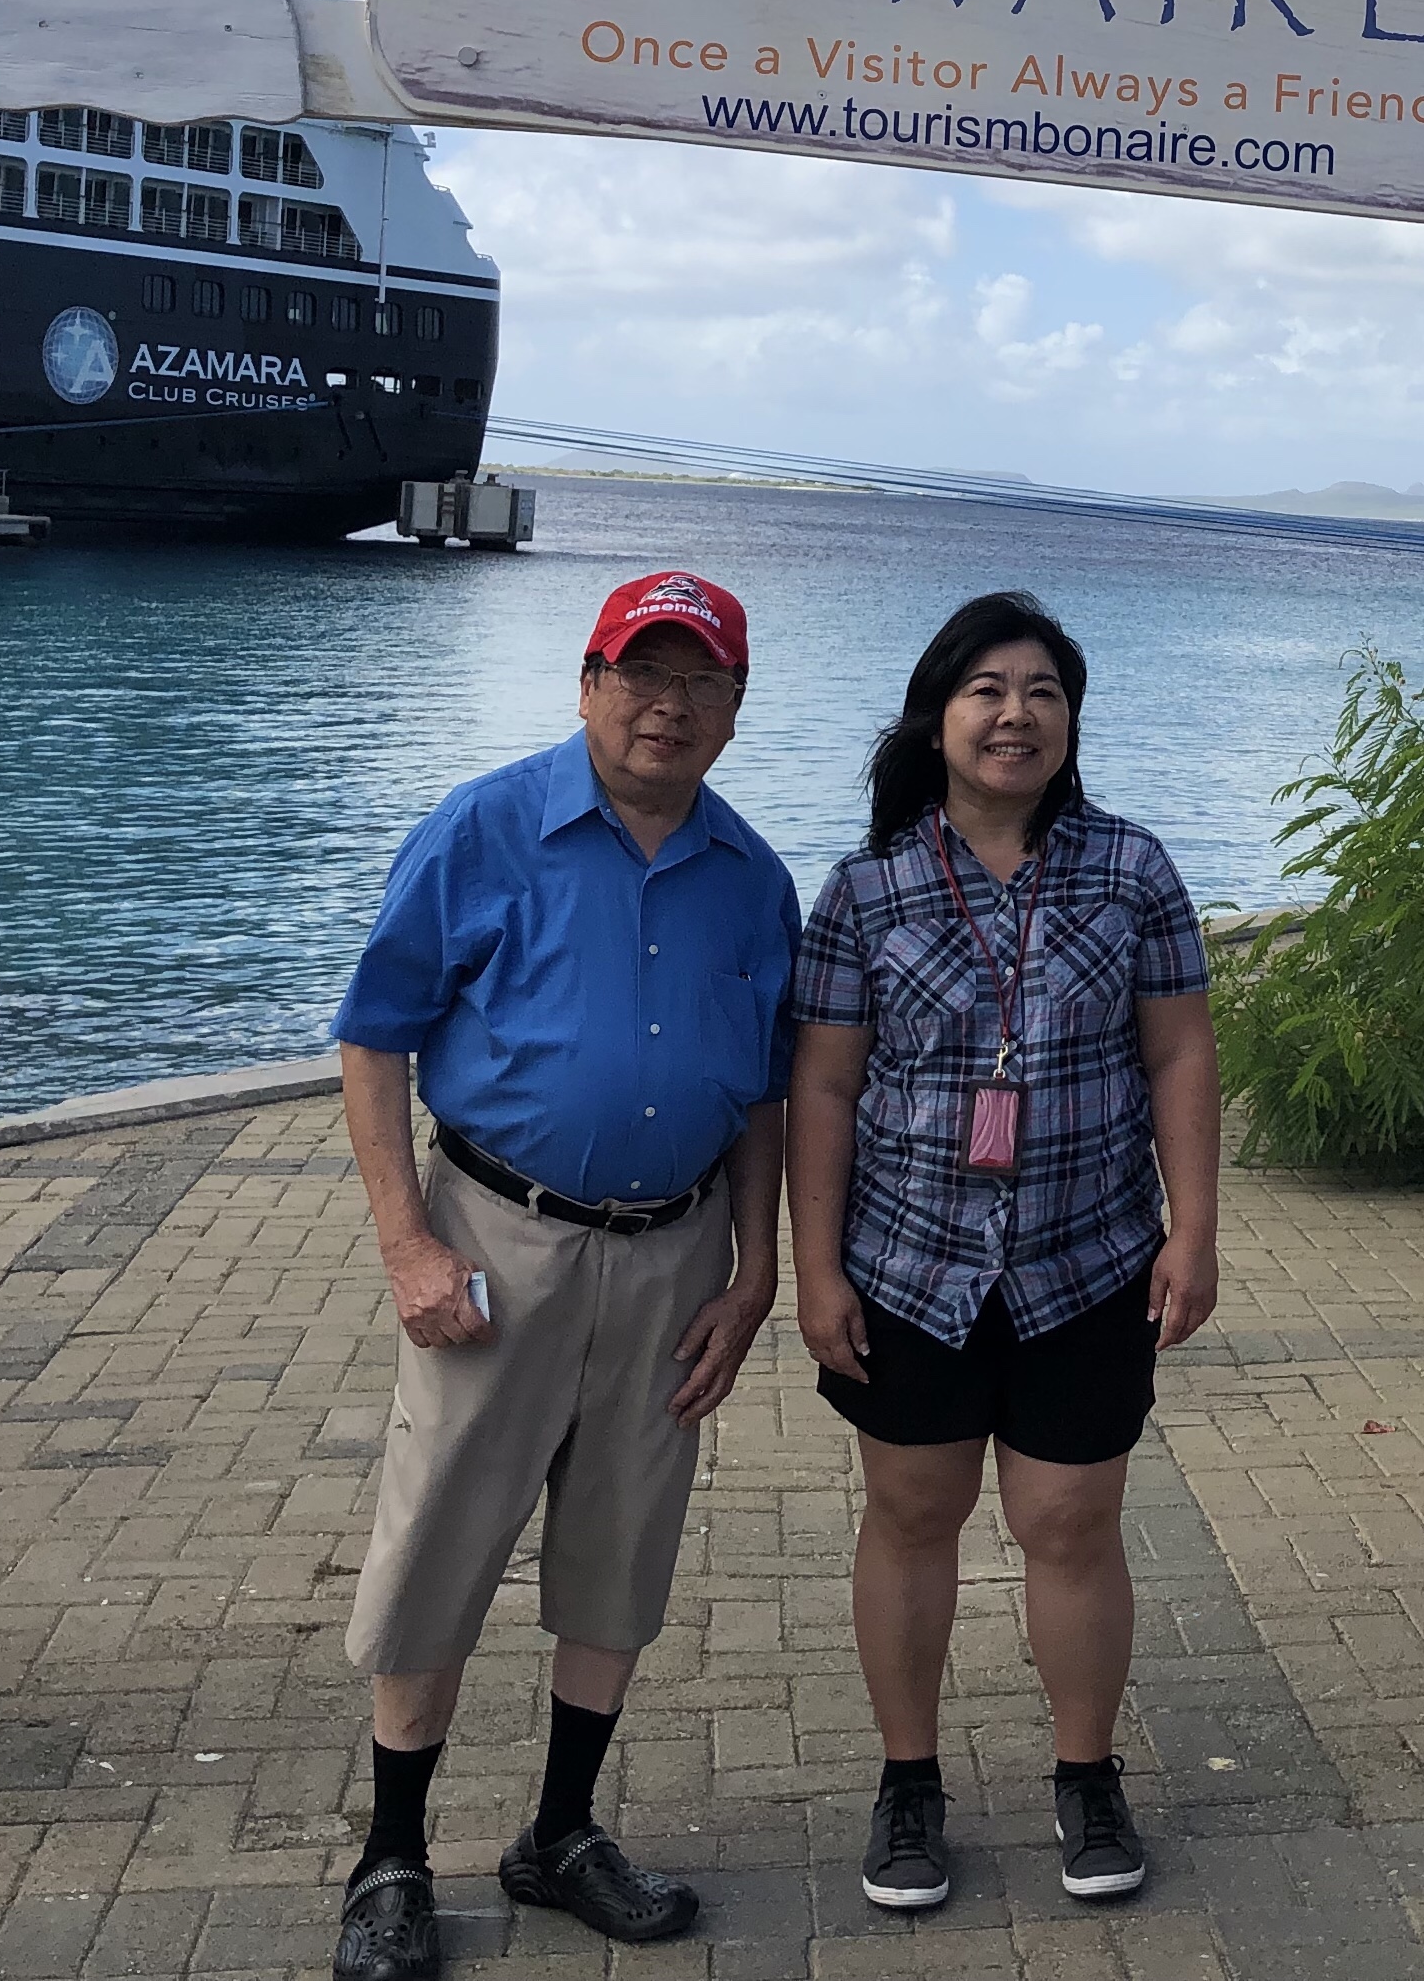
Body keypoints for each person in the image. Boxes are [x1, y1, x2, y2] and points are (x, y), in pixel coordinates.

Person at [324, 572, 797, 1981]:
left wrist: (756, 1268)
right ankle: (392, 1858)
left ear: (733, 710)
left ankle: (561, 1836)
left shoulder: (753, 877)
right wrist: (407, 1242)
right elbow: (374, 1036)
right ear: (585, 684)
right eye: (640, 674)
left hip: (673, 1257)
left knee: (620, 1553)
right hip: (495, 1246)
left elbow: (767, 1093)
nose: (669, 704)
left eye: (701, 682)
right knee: (439, 1549)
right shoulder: (482, 829)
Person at [787, 591, 1222, 1914]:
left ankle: (1086, 1775)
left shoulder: (1131, 870)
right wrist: (815, 1273)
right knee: (913, 1515)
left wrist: (1194, 1231)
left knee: (1071, 1520)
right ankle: (908, 1785)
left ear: (1070, 717)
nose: (1014, 714)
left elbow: (1180, 1051)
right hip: (909, 1262)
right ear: (938, 715)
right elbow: (821, 1091)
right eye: (986, 689)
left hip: (1084, 1258)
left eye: (1041, 690)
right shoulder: (867, 889)